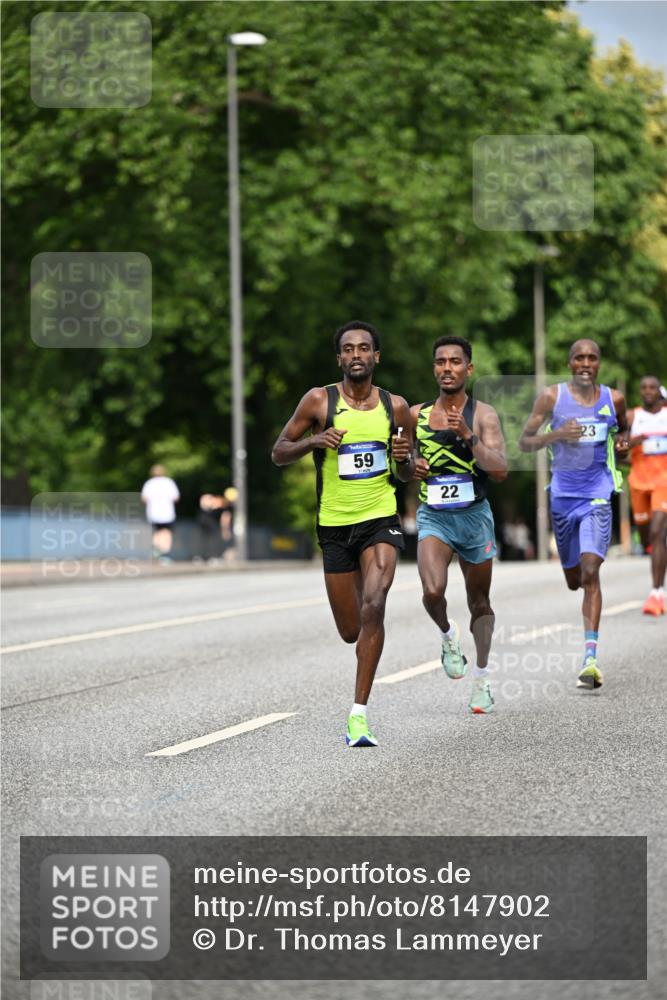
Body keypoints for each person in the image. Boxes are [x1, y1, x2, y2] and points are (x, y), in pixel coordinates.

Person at [271, 320, 413, 747]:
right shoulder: (319, 401)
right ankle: (359, 700)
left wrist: (404, 459)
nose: (356, 355)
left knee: (375, 604)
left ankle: (358, 715)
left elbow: (406, 472)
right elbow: (278, 451)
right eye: (348, 349)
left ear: (376, 357)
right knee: (351, 630)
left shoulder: (397, 407)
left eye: (364, 348)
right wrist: (313, 443)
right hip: (334, 525)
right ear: (339, 358)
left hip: (380, 517)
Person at [519, 339, 628, 690]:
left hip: (597, 494)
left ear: (599, 363)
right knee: (574, 578)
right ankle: (575, 576)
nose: (585, 363)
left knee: (591, 570)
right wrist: (556, 434)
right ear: (569, 363)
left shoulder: (615, 399)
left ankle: (590, 658)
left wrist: (623, 446)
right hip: (563, 499)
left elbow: (622, 434)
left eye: (592, 358)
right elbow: (525, 441)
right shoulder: (552, 398)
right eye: (579, 358)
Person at [409, 336, 508, 715]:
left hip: (474, 517)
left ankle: (481, 677)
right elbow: (402, 468)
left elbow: (499, 471)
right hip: (434, 515)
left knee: (479, 602)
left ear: (469, 369)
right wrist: (409, 468)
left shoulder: (483, 414)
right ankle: (448, 637)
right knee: (433, 592)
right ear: (434, 368)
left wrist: (468, 437)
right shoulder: (415, 415)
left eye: (454, 361)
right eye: (440, 361)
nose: (446, 368)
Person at [626, 374, 667, 615]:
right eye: (644, 387)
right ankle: (657, 550)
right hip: (639, 483)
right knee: (646, 536)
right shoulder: (633, 416)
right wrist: (632, 442)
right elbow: (619, 449)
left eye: (653, 387)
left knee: (657, 530)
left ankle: (656, 592)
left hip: (664, 483)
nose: (648, 391)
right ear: (640, 391)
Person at [141, 465, 180, 562]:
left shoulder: (149, 483)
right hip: (167, 513)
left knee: (157, 532)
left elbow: (144, 498)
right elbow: (176, 497)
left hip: (153, 512)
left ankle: (156, 548)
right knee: (166, 532)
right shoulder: (169, 482)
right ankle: (165, 553)